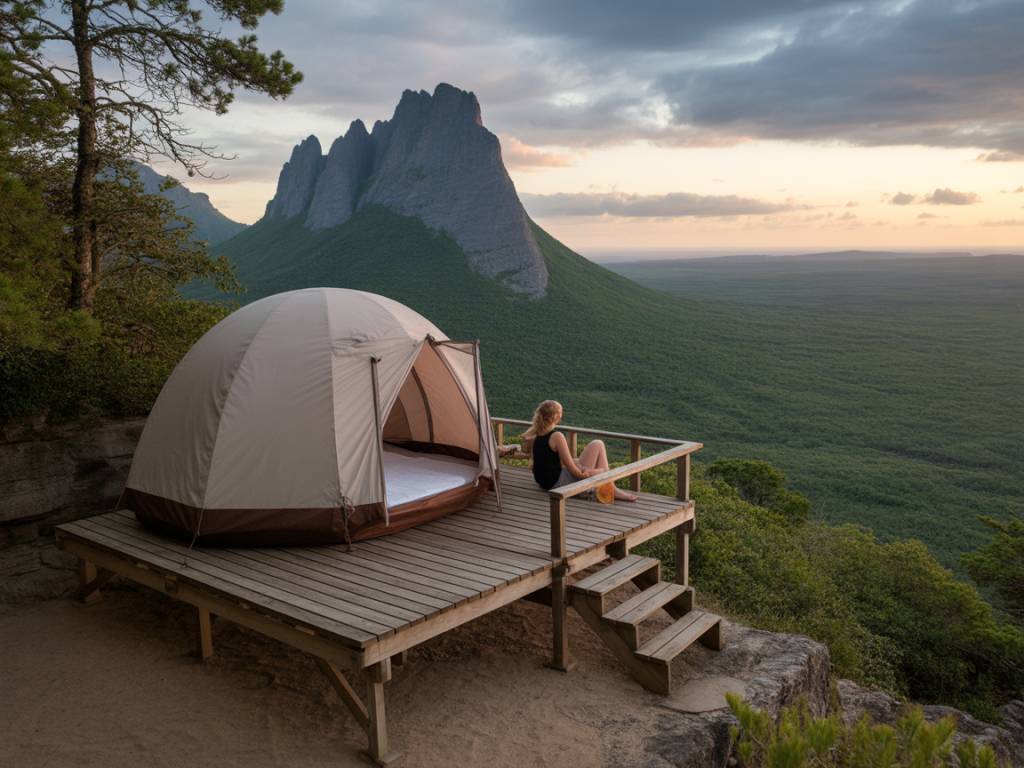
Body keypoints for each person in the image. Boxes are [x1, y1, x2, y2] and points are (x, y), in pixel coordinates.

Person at [523, 400, 638, 501]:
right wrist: (588, 474)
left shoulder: (536, 434)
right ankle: (610, 489)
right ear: (556, 417)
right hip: (556, 483)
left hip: (544, 482)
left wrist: (580, 465)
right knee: (598, 448)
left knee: (596, 446)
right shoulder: (556, 436)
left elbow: (551, 460)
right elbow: (572, 469)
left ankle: (610, 488)